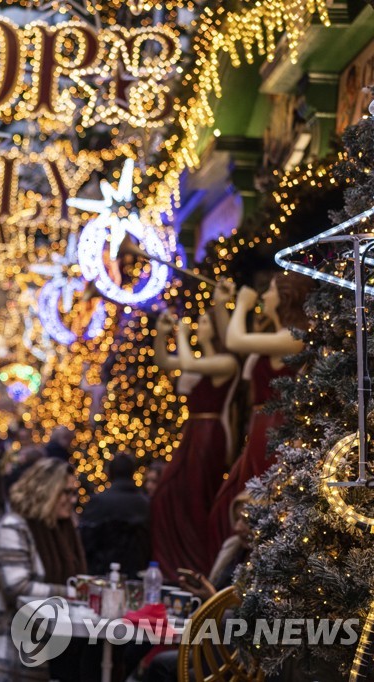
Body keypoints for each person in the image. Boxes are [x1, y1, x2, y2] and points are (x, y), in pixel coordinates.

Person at [209, 274, 311, 549]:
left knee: (256, 507)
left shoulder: (294, 337)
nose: (264, 296)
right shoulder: (274, 337)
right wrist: (222, 305)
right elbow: (233, 343)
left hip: (275, 431)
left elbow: (236, 341)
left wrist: (241, 305)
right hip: (259, 431)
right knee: (229, 505)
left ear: (286, 298)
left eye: (271, 291)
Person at [0, 458, 86, 682]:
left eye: (74, 492)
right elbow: (18, 587)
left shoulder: (63, 528)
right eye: (66, 492)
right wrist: (71, 593)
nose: (72, 500)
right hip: (13, 640)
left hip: (57, 638)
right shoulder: (14, 526)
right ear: (46, 491)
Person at [151, 310, 239, 579]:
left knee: (198, 495)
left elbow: (187, 362)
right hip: (193, 433)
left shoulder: (225, 362)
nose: (196, 327)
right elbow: (163, 360)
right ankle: (179, 564)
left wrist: (179, 334)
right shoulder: (200, 361)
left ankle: (199, 564)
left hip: (210, 434)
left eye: (202, 322)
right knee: (170, 492)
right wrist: (162, 333)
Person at [142, 492, 256, 682]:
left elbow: (245, 613)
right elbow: (219, 594)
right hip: (212, 641)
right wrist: (203, 593)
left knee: (168, 667)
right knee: (159, 664)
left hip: (235, 651)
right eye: (236, 519)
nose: (237, 527)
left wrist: (211, 596)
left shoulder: (267, 560)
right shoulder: (234, 549)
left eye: (245, 520)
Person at [79, 453, 151, 577]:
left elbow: (85, 541)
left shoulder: (98, 502)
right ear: (133, 473)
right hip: (135, 572)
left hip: (99, 571)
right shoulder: (145, 504)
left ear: (109, 473)